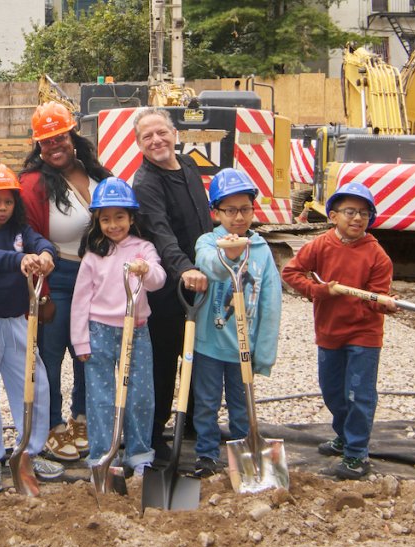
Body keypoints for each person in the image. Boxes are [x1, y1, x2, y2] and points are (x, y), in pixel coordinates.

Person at [280, 182, 397, 480]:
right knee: (332, 391)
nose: (357, 218)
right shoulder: (320, 245)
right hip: (329, 332)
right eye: (350, 212)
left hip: (364, 336)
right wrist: (319, 291)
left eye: (364, 213)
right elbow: (291, 273)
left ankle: (357, 454)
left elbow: (377, 298)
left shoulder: (377, 256)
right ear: (333, 215)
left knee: (359, 395)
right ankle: (343, 436)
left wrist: (384, 303)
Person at [0, 163, 65, 491]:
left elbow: (43, 244)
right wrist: (19, 260)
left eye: (8, 202)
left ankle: (28, 452)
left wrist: (46, 256)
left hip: (18, 320)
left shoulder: (21, 231)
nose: (3, 209)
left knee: (36, 385)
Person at [20, 101, 113, 462]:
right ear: (38, 147)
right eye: (46, 142)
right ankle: (52, 423)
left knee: (88, 353)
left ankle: (84, 418)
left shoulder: (96, 174)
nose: (54, 146)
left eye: (59, 138)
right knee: (51, 354)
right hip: (56, 276)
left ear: (72, 136)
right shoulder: (32, 184)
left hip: (96, 277)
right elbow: (25, 231)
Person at [131, 107, 214, 462]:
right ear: (138, 144)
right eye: (147, 136)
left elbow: (205, 222)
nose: (156, 141)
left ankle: (195, 422)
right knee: (164, 363)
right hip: (170, 287)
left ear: (174, 133)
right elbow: (161, 234)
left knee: (198, 356)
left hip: (201, 282)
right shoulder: (146, 182)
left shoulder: (189, 167)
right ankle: (154, 434)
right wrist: (186, 270)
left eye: (161, 133)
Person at [190, 169, 283, 477]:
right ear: (216, 212)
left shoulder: (261, 249)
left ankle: (245, 451)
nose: (238, 217)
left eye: (245, 209)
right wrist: (229, 254)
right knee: (206, 403)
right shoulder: (207, 242)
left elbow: (271, 301)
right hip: (210, 346)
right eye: (230, 210)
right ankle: (205, 453)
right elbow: (210, 266)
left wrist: (264, 351)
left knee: (243, 405)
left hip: (245, 348)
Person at [69, 177, 163, 477]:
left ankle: (139, 452)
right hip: (100, 331)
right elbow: (80, 301)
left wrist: (146, 270)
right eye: (106, 219)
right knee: (100, 396)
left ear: (131, 217)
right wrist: (80, 341)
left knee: (140, 393)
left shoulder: (143, 248)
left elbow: (158, 280)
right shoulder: (94, 254)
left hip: (136, 329)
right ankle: (102, 454)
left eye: (119, 217)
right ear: (97, 221)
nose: (113, 225)